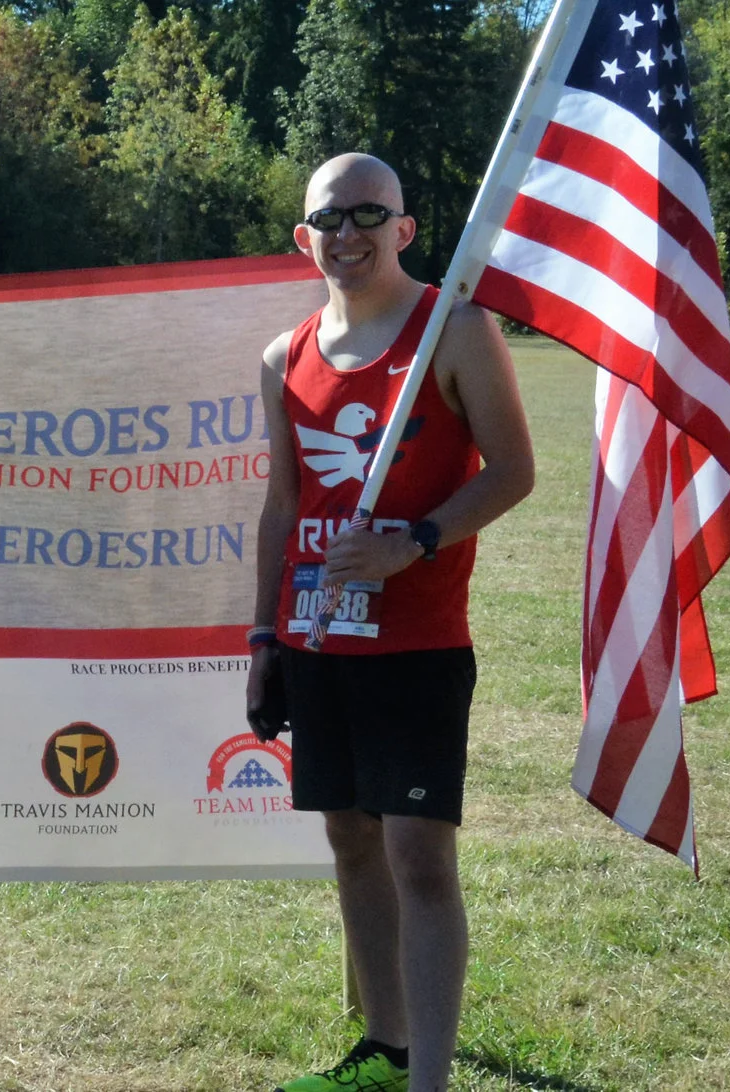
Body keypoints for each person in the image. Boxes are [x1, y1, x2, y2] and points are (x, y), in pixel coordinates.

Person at [246, 154, 535, 1092]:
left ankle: (430, 1081)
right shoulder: (282, 356)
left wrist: (415, 540)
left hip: (417, 642)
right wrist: (263, 641)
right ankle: (384, 1047)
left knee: (417, 852)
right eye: (329, 218)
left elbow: (513, 471)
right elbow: (283, 507)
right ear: (305, 237)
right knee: (350, 838)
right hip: (318, 636)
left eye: (370, 214)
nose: (348, 233)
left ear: (405, 228)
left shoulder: (452, 325)